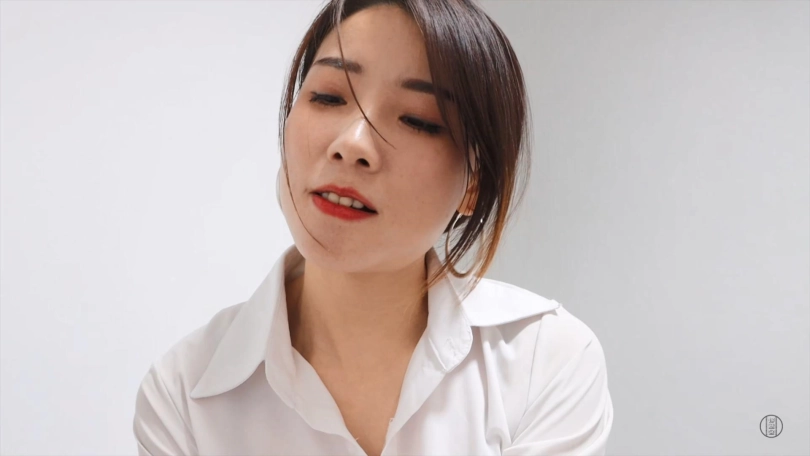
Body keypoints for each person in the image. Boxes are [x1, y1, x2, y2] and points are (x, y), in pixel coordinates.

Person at [132, 0, 614, 455]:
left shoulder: (544, 359)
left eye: (417, 120)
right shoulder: (185, 395)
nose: (353, 142)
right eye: (328, 96)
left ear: (474, 184)